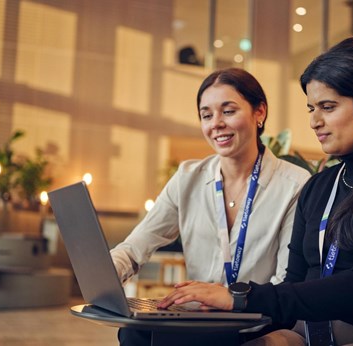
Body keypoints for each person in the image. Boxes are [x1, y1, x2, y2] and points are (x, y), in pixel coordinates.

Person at [158, 37, 353, 346]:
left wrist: (241, 297)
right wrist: (212, 318)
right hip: (312, 335)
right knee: (152, 336)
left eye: (328, 107)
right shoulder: (320, 186)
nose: (314, 121)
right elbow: (295, 286)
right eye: (311, 108)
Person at [110, 67, 311, 345]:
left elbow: (287, 282)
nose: (215, 123)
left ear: (260, 112)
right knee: (134, 330)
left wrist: (236, 298)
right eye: (207, 115)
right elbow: (135, 247)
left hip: (256, 318)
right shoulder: (188, 177)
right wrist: (109, 271)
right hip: (199, 315)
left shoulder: (295, 184)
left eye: (228, 111)